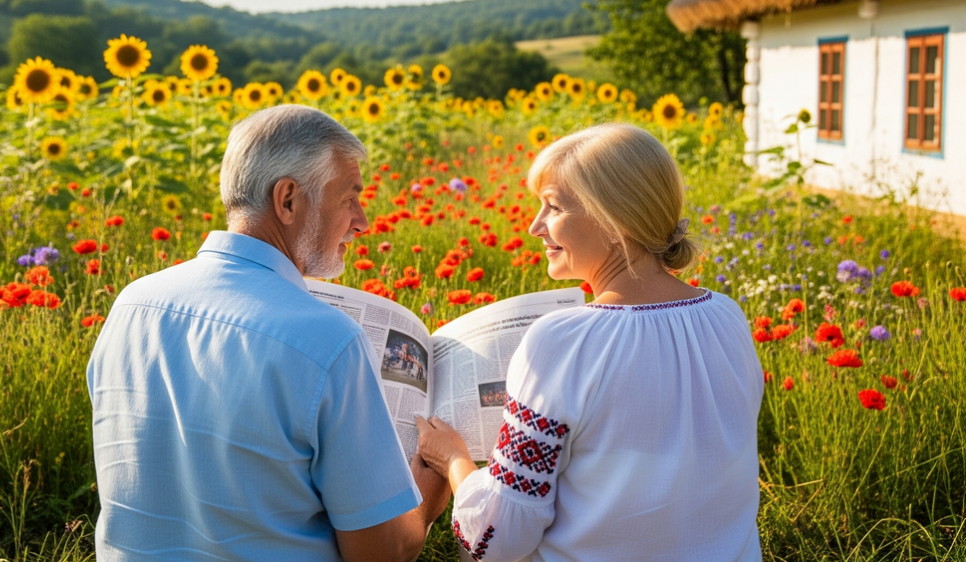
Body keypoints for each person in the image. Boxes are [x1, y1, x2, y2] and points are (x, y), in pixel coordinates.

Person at [88, 104, 450, 562]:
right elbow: (380, 554)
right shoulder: (328, 340)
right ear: (288, 200)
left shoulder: (132, 304)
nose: (362, 221)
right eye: (348, 199)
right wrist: (429, 495)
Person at [416, 124, 764, 562]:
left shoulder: (564, 341)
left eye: (554, 207)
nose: (535, 226)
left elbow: (499, 538)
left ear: (615, 221)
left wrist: (453, 460)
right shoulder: (727, 315)